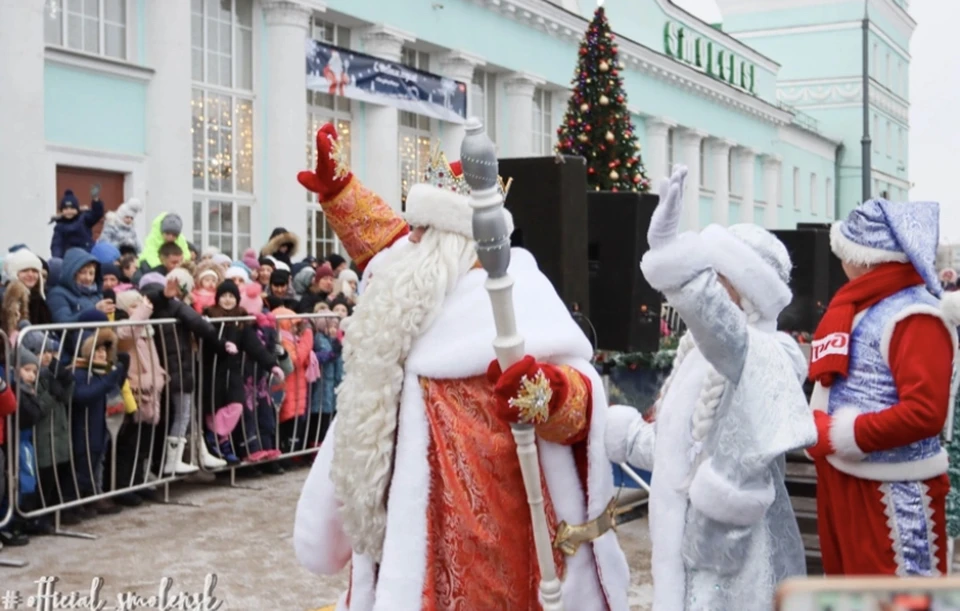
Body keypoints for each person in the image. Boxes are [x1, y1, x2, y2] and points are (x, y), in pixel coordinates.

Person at [293, 123, 629, 610]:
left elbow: (580, 409)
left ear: (450, 240)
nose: (408, 241)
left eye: (421, 231)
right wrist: (342, 192)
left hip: (503, 546)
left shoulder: (521, 299)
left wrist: (544, 393)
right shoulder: (414, 296)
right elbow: (385, 250)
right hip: (414, 537)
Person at [603, 166, 816, 610]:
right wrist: (631, 440)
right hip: (687, 550)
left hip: (732, 559)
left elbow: (716, 321)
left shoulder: (760, 351)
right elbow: (684, 451)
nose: (712, 287)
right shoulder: (699, 355)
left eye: (718, 276)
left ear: (748, 290)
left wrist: (670, 256)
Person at [806, 199, 959, 576]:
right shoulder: (864, 306)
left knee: (896, 596)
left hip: (893, 491)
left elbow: (924, 412)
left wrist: (843, 434)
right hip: (844, 476)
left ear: (862, 257)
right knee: (847, 596)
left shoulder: (914, 315)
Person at [50, 189, 105, 258]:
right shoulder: (59, 226)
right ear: (61, 211)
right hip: (70, 259)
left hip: (87, 256)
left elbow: (97, 214)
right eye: (66, 209)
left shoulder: (84, 219)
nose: (69, 211)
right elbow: (56, 245)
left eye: (72, 208)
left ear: (77, 209)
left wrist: (96, 200)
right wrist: (57, 259)